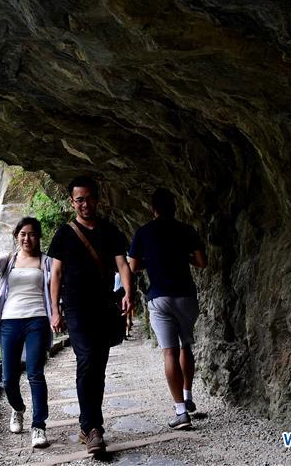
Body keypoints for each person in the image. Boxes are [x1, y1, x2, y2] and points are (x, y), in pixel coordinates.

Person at [48, 176, 132, 454]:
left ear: (97, 199)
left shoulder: (110, 231)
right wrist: (55, 310)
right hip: (76, 308)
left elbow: (122, 264)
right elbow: (56, 273)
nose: (85, 204)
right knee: (86, 361)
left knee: (99, 366)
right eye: (79, 199)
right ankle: (92, 427)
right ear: (72, 202)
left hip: (104, 307)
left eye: (89, 198)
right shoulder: (64, 234)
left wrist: (129, 292)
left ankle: (90, 426)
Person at [128, 188, 206, 430]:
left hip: (160, 297)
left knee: (169, 352)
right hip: (186, 296)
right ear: (175, 207)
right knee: (186, 346)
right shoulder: (187, 230)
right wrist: (183, 257)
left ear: (153, 209)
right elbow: (201, 262)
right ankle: (188, 395)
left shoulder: (144, 232)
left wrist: (152, 261)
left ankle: (181, 411)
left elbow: (132, 266)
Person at [0, 215, 53, 449]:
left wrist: (57, 314)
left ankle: (39, 426)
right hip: (9, 321)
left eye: (32, 234)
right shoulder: (9, 260)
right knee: (8, 378)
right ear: (16, 236)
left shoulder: (46, 262)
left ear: (38, 237)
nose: (27, 238)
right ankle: (18, 408)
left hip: (37, 320)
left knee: (35, 374)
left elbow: (56, 285)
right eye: (23, 234)